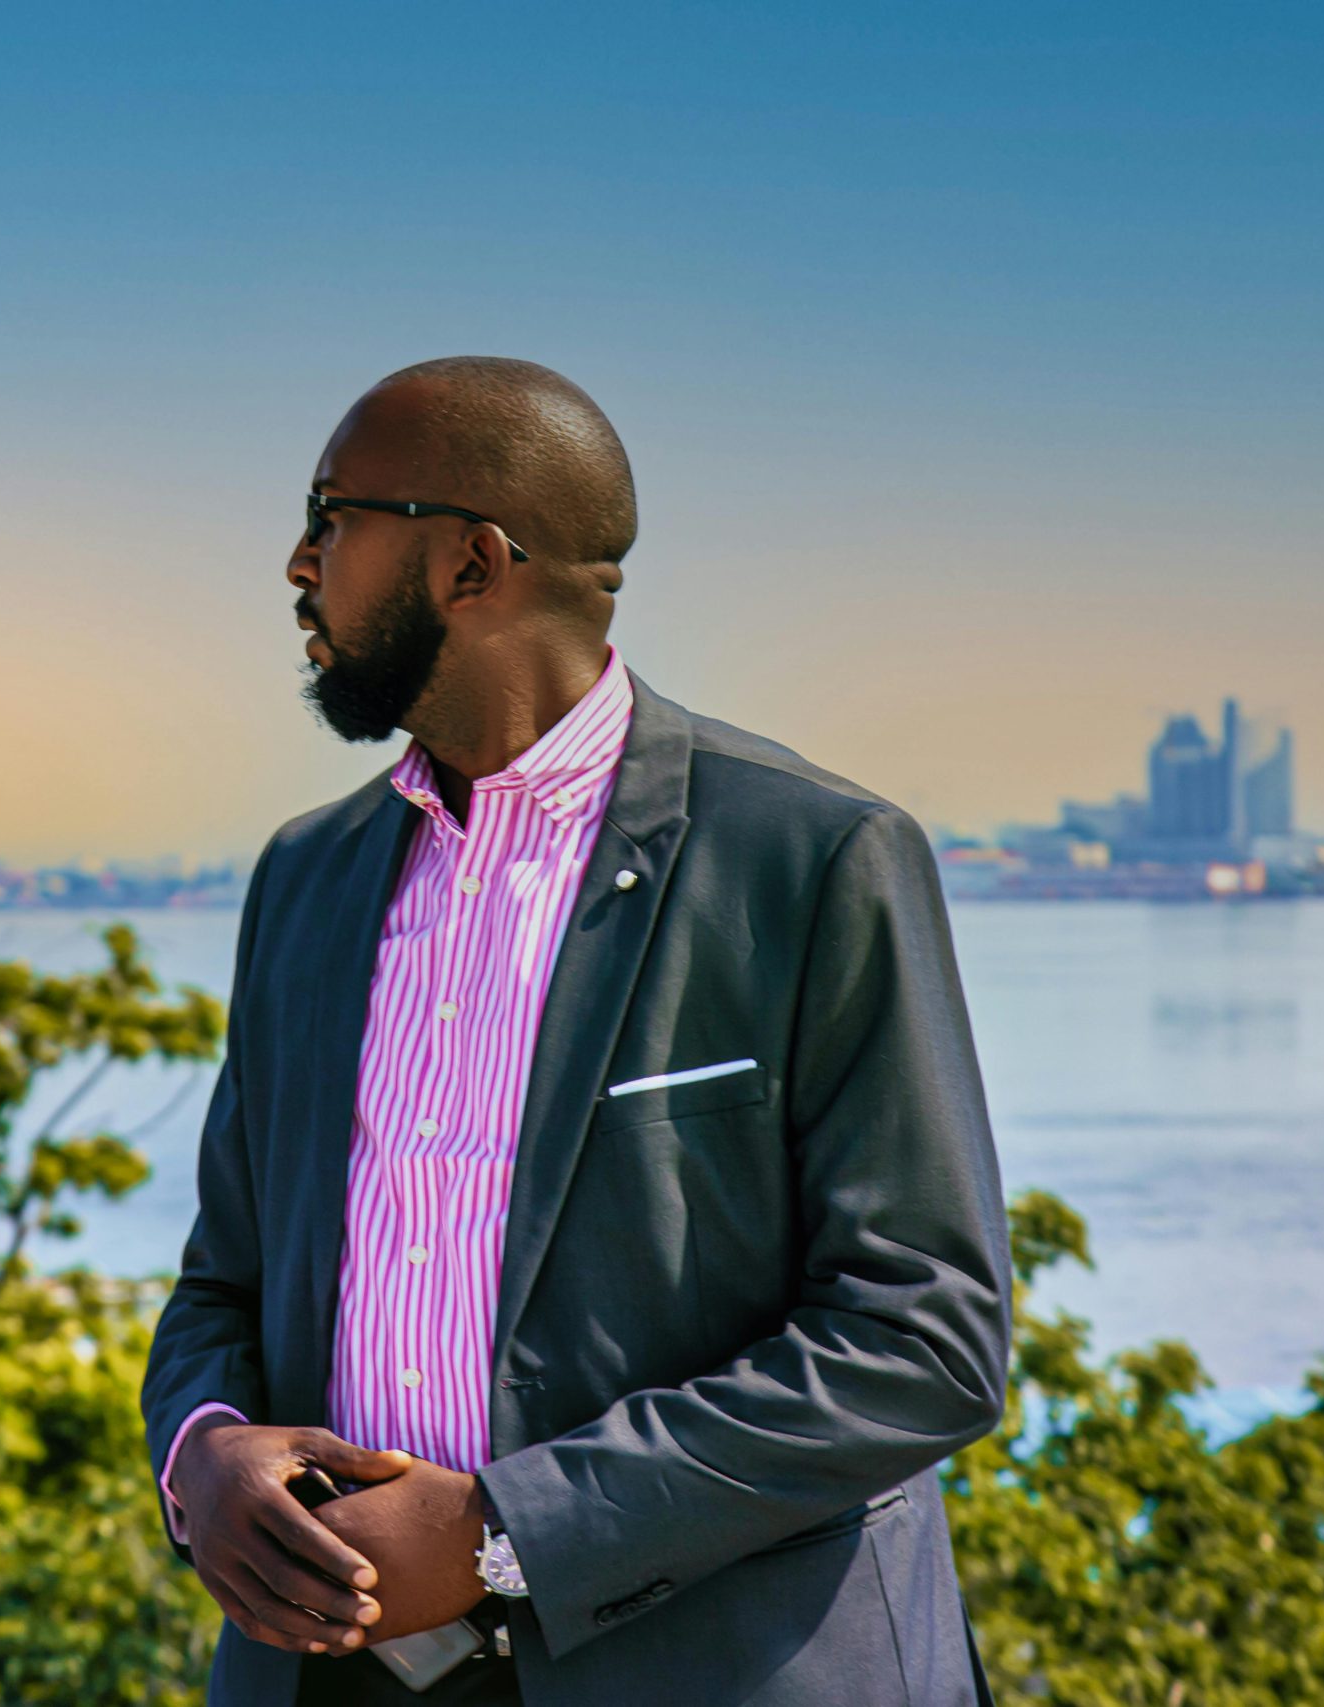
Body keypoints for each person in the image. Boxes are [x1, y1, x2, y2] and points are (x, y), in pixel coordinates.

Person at [141, 356, 1012, 1706]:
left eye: (333, 516)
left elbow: (923, 1339)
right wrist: (200, 1449)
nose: (299, 563)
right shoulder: (305, 878)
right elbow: (224, 1281)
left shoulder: (813, 858)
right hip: (326, 1675)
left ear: (473, 565)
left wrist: (504, 1541)